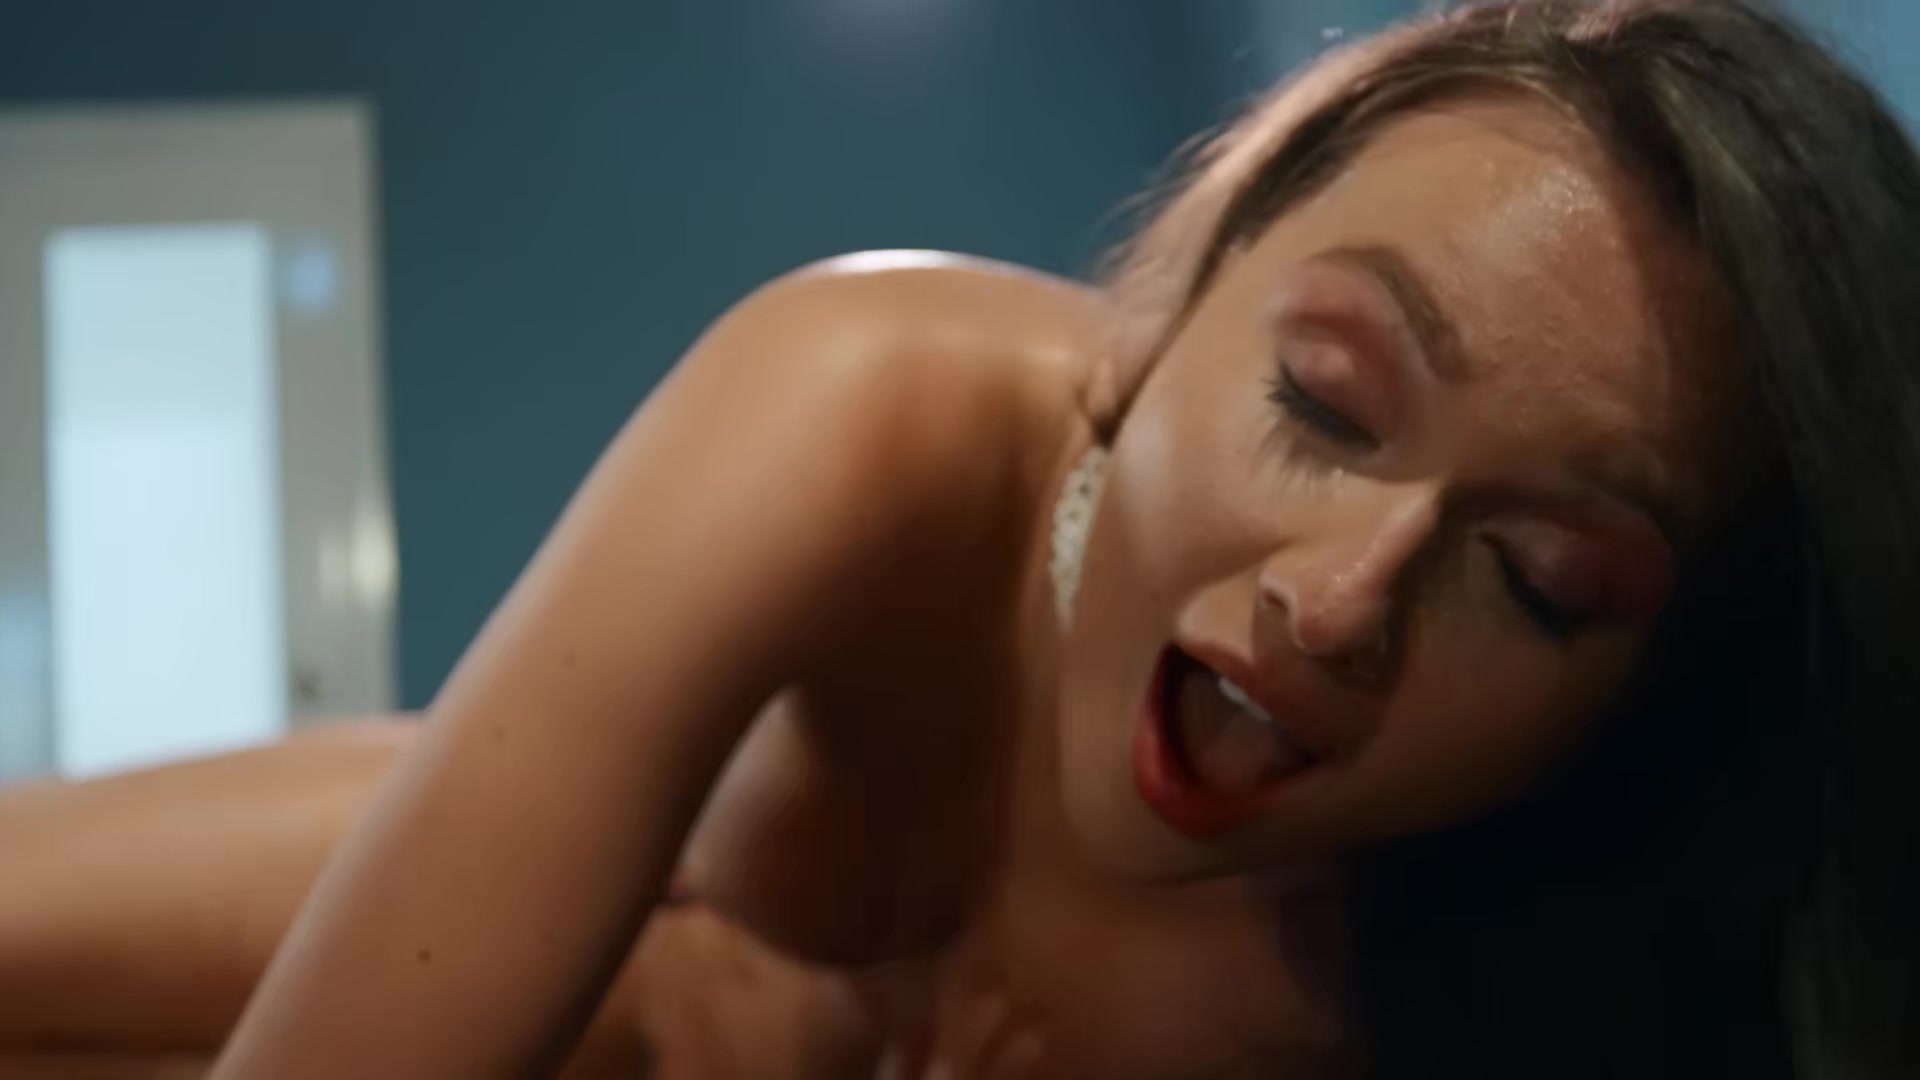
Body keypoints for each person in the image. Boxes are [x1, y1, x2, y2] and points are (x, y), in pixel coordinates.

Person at [25, 0, 1920, 1076]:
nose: (1345, 601)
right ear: (1163, 316)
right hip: (572, 909)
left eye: (1539, 582)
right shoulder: (875, 401)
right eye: (1328, 399)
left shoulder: (1489, 984)